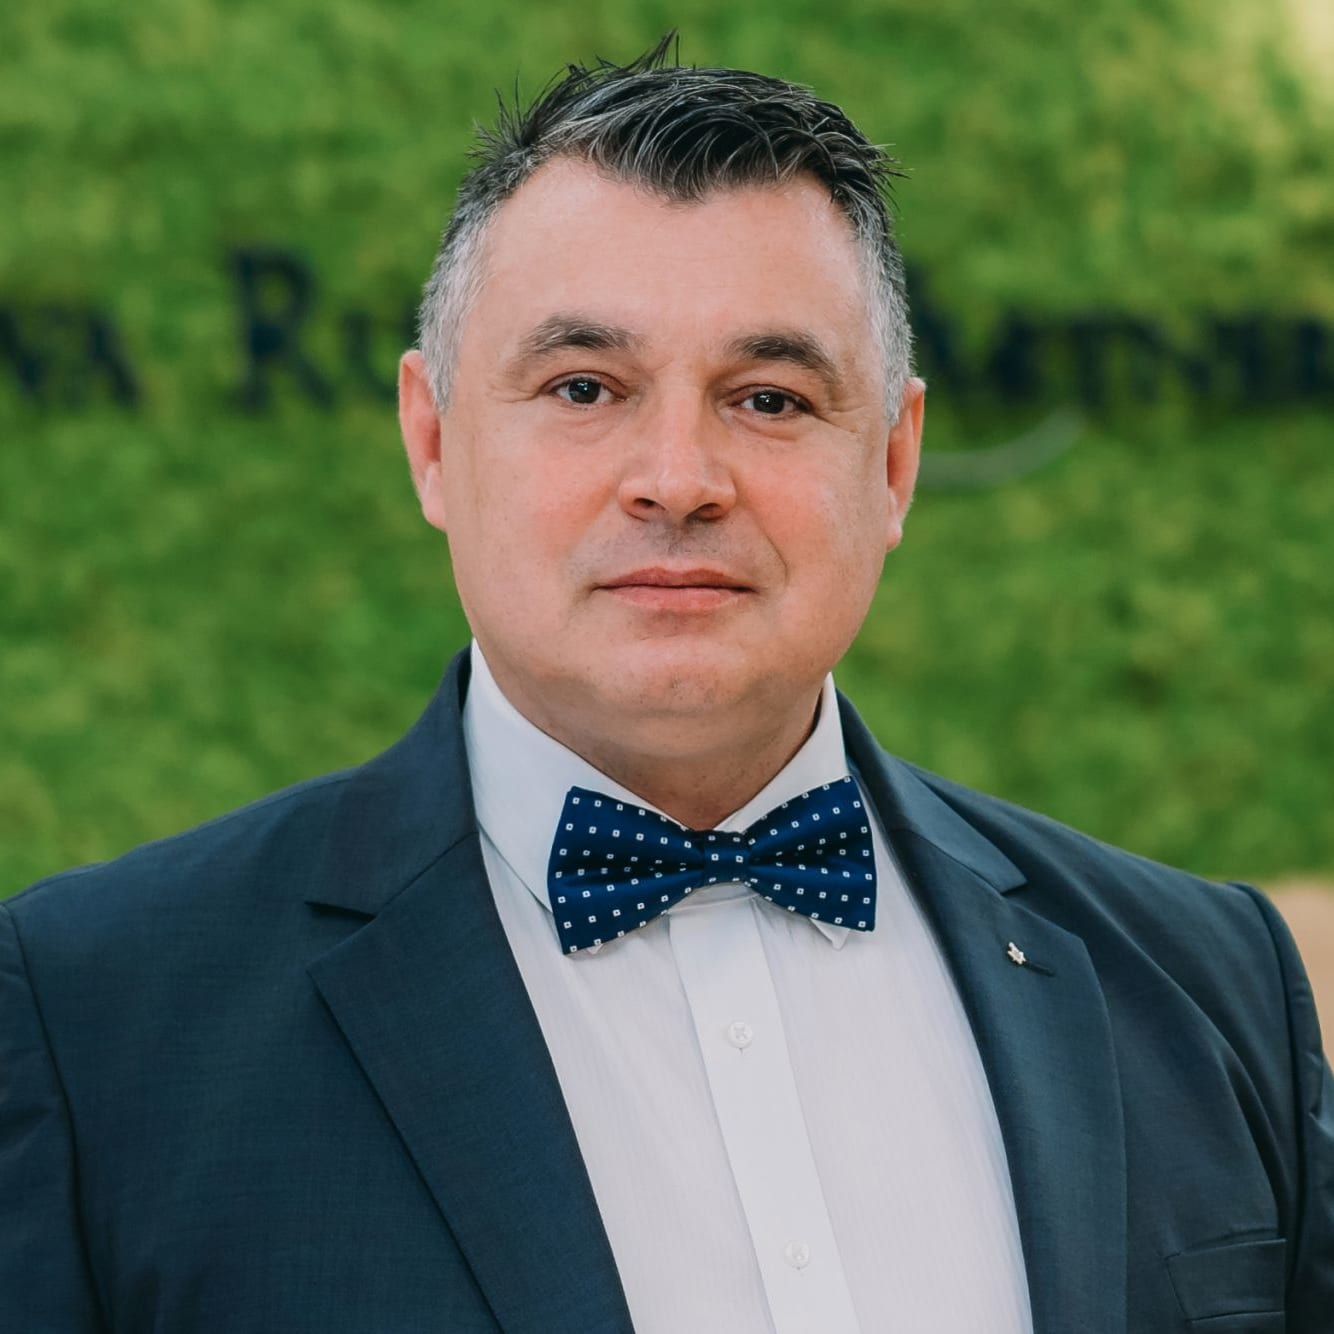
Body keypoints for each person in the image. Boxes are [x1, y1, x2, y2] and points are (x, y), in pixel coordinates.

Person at [2, 39, 1331, 1334]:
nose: (679, 479)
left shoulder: (1210, 985)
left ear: (893, 462)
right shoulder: (97, 1021)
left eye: (769, 398)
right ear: (432, 439)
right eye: (585, 387)